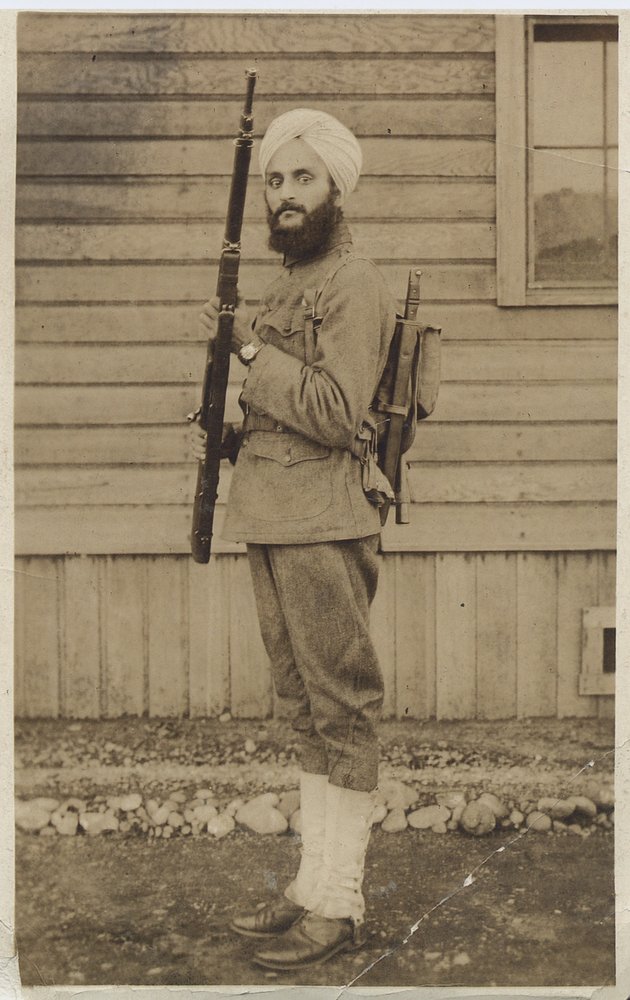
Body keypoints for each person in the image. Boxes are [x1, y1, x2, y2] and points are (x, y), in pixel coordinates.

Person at [191, 108, 396, 971]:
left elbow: (335, 411)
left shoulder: (354, 282)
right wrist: (224, 420)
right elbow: (274, 404)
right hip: (272, 514)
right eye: (274, 180)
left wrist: (244, 356)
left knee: (341, 707)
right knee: (302, 710)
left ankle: (342, 904)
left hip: (325, 517)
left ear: (336, 187)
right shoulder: (287, 283)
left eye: (301, 178)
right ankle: (312, 889)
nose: (282, 195)